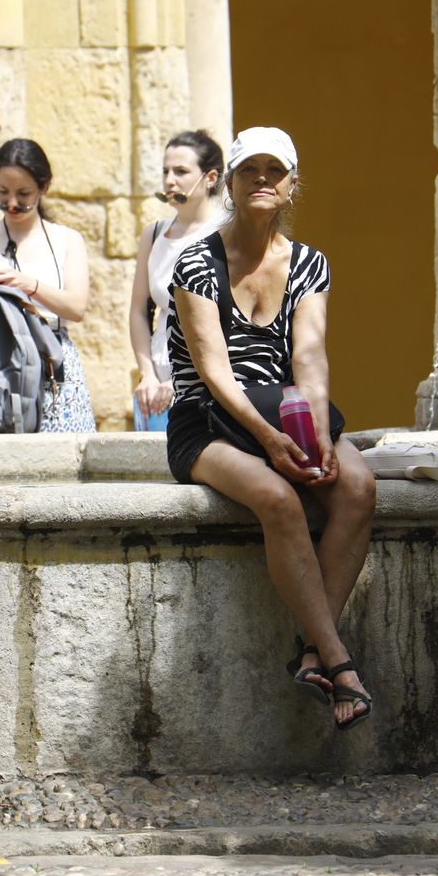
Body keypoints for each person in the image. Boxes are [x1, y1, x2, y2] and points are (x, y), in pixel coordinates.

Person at [165, 126, 377, 730]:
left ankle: (311, 652)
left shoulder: (309, 263)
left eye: (274, 171)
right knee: (278, 499)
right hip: (209, 420)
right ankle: (338, 660)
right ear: (228, 183)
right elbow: (213, 372)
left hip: (286, 412)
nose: (263, 179)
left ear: (291, 184)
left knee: (358, 488)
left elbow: (310, 358)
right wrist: (271, 440)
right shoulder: (195, 262)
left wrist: (311, 433)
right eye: (249, 170)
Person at [0, 138, 95, 432]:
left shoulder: (67, 240)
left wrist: (28, 284)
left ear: (44, 187)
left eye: (23, 194)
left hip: (53, 364)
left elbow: (77, 308)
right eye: (2, 192)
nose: (12, 204)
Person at [128, 130, 226, 431]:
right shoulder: (154, 233)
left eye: (181, 171)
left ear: (210, 177)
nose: (170, 180)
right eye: (165, 171)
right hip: (157, 379)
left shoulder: (226, 230)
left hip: (211, 380)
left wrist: (182, 378)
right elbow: (138, 311)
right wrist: (147, 374)